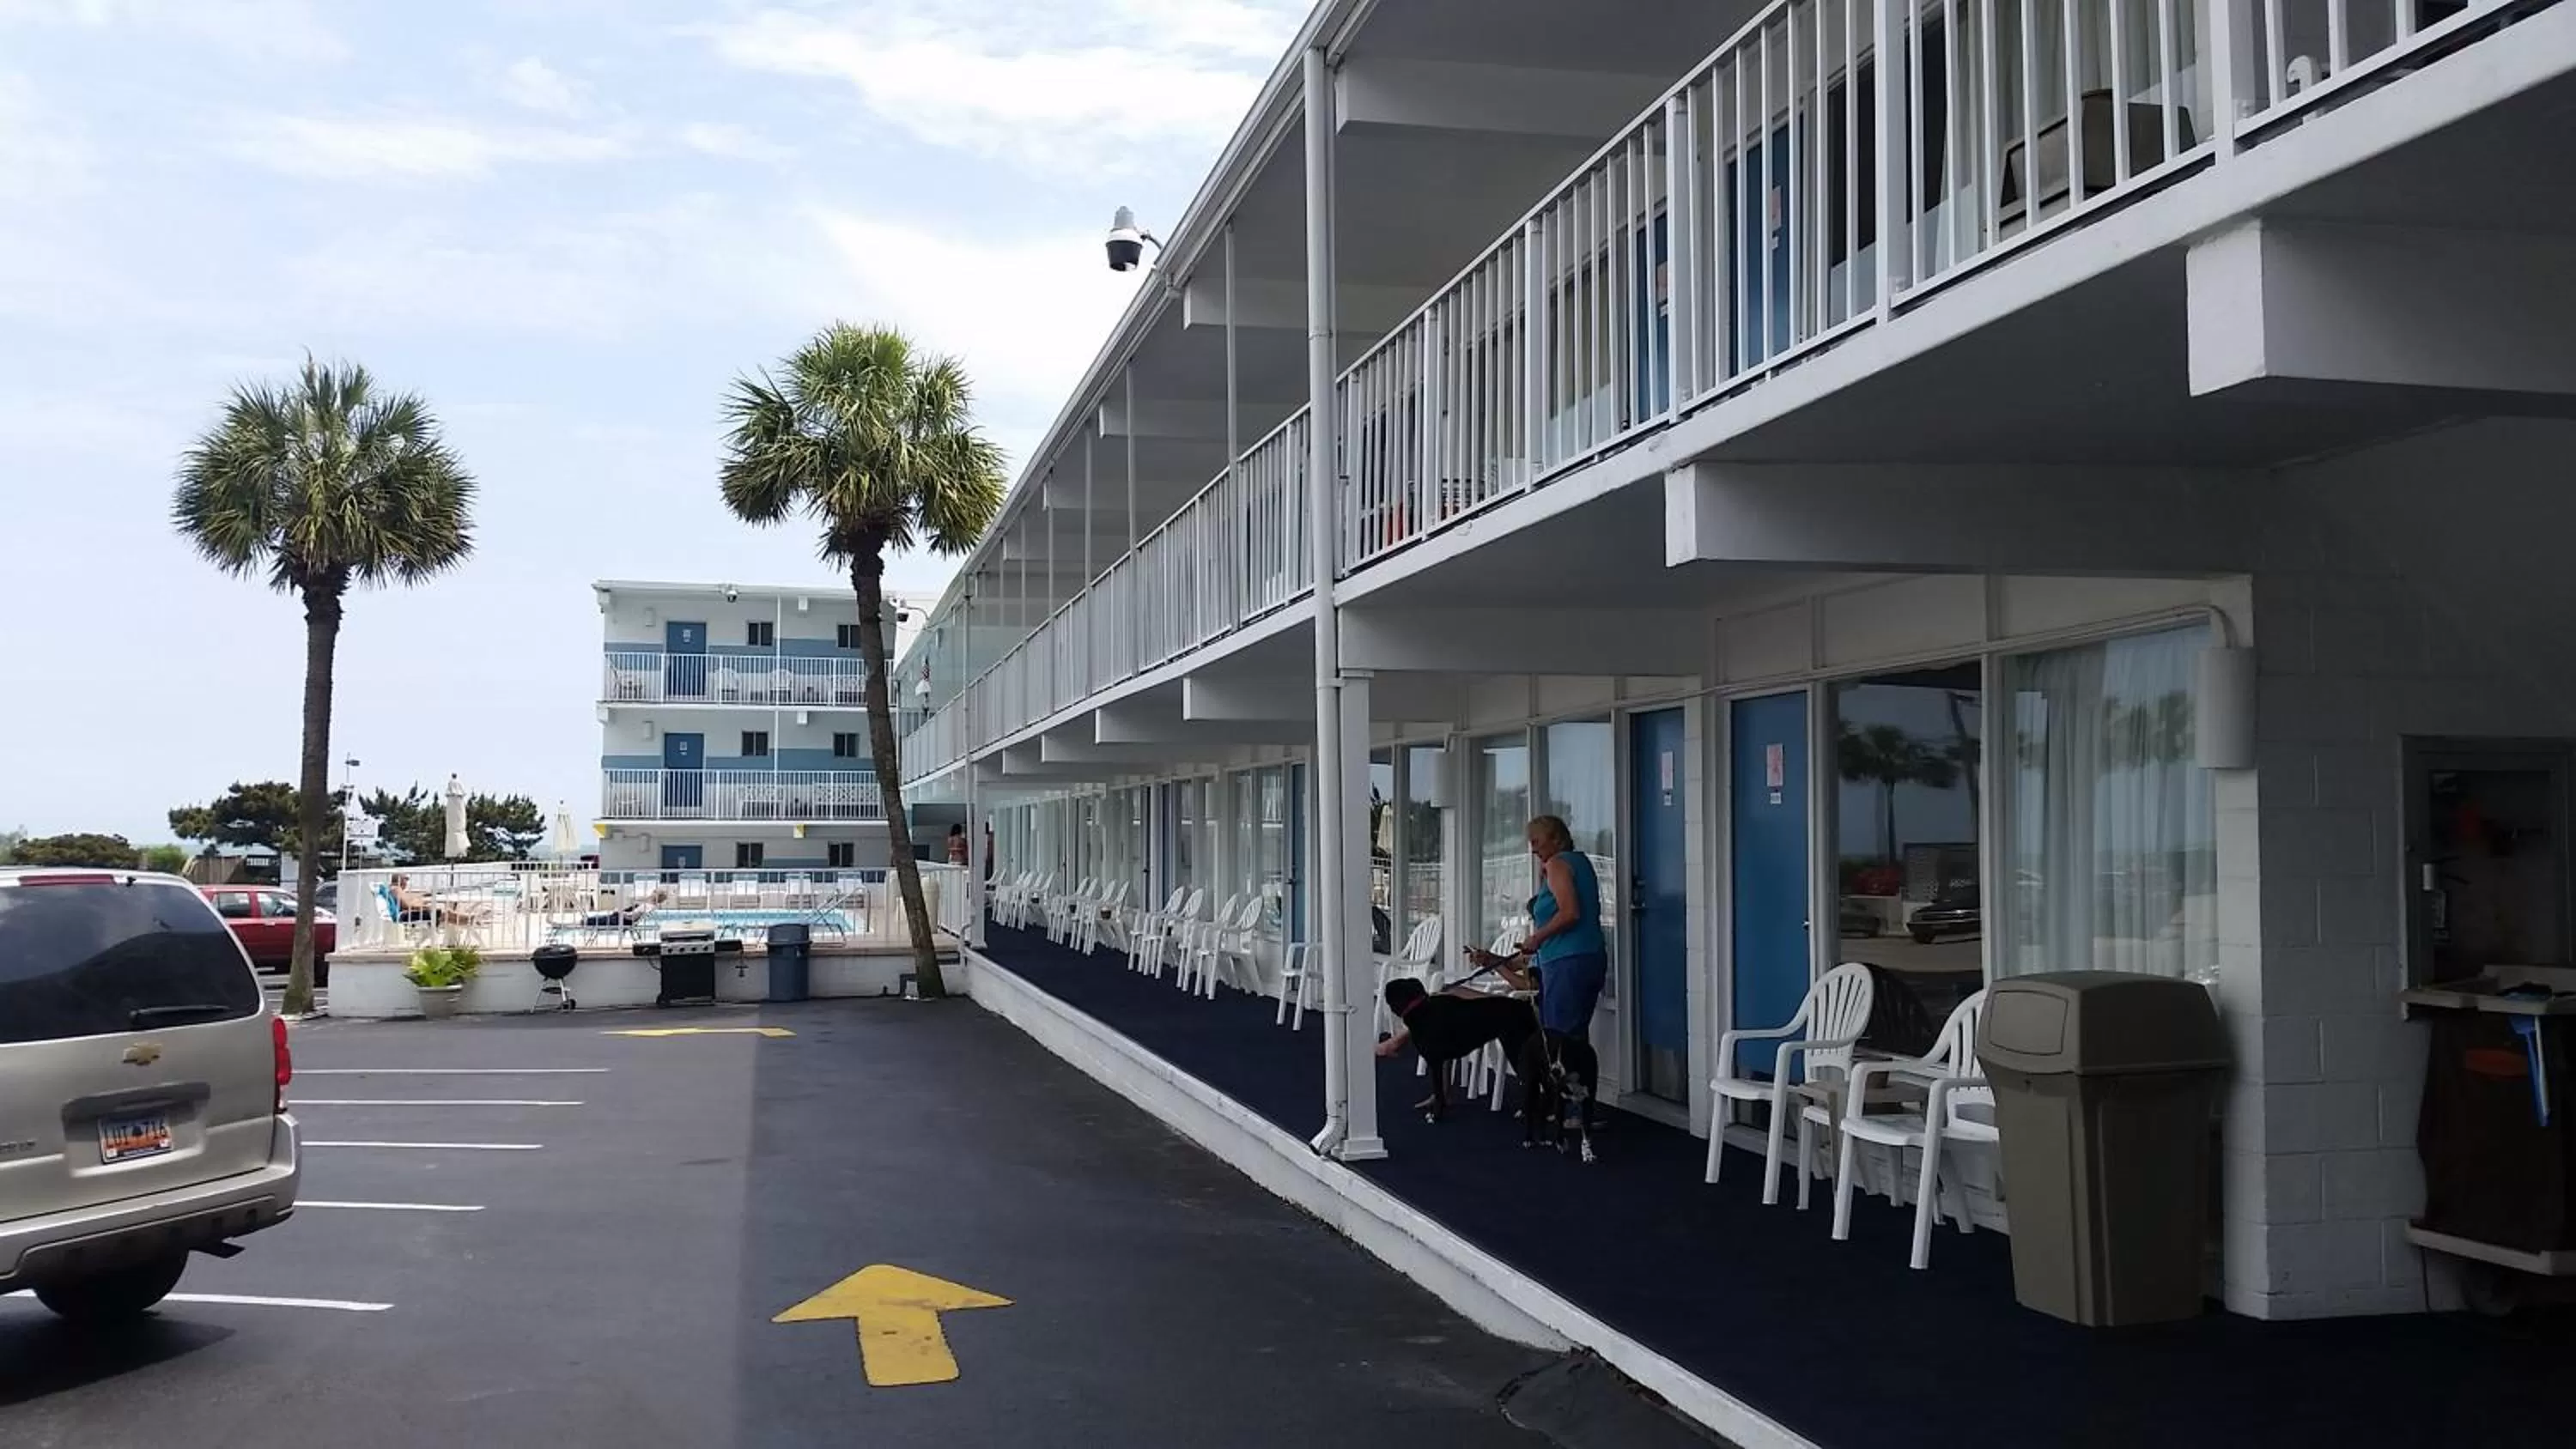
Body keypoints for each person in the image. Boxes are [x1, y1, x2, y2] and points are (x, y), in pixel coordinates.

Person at [1374, 815, 1607, 1059]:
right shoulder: (1580, 863)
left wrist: (1538, 937)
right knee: (1574, 1038)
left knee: (1561, 1041)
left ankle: (1560, 1087)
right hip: (1586, 957)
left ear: (1556, 839)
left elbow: (1570, 912)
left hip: (1566, 964)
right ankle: (1574, 1085)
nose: (1532, 849)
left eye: (1536, 841)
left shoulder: (1557, 863)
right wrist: (1492, 959)